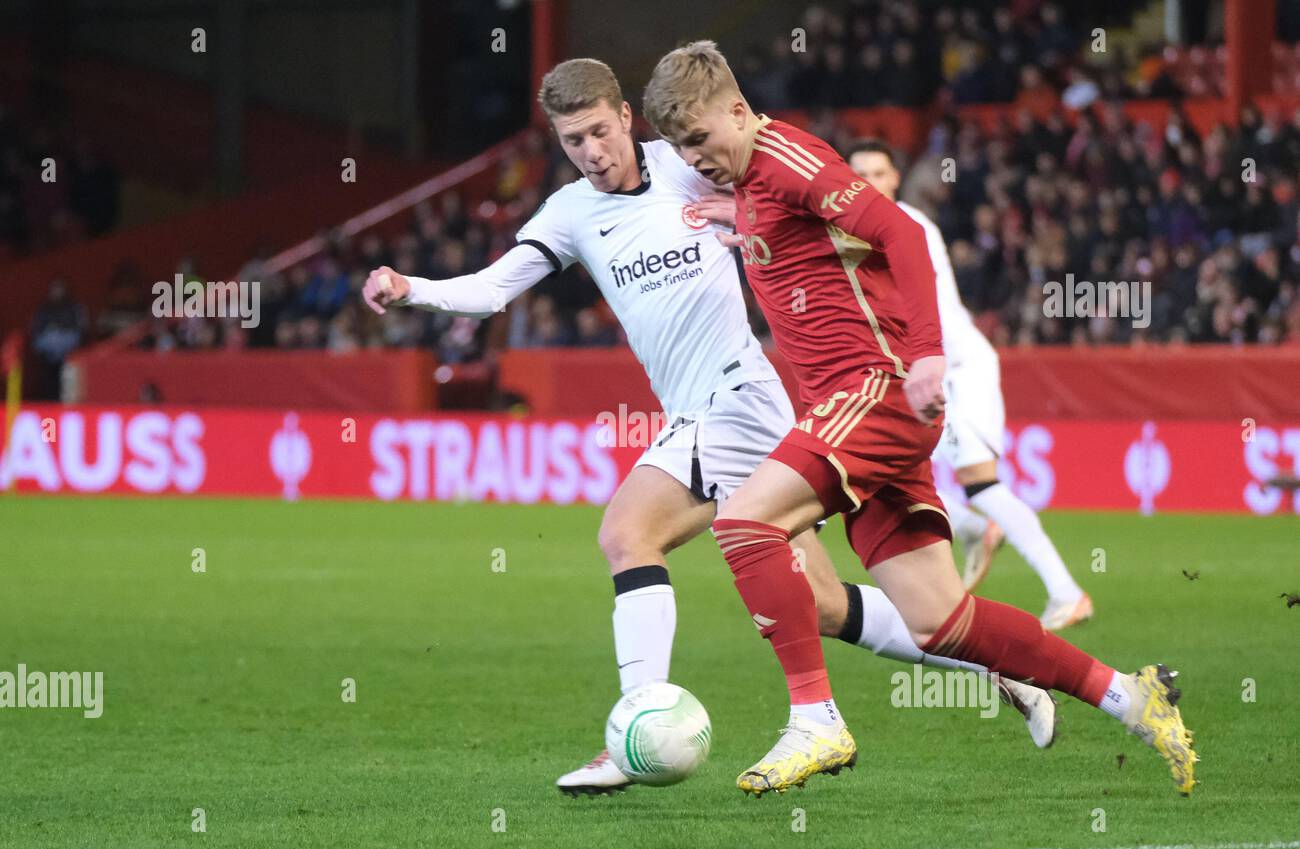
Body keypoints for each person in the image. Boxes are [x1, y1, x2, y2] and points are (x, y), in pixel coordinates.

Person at [362, 58, 1054, 797]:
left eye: (599, 131)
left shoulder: (688, 162)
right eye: (572, 141)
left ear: (627, 117)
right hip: (692, 410)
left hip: (740, 397)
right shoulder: (570, 214)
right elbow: (495, 289)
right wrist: (413, 292)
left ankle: (633, 731)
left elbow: (790, 189)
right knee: (819, 602)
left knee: (627, 533)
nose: (591, 151)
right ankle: (994, 662)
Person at [641, 40, 1196, 797]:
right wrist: (737, 214)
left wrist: (929, 357)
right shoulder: (753, 182)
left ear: (739, 111)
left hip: (873, 391)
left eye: (701, 139)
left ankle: (816, 720)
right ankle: (1131, 697)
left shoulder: (787, 161)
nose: (694, 156)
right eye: (682, 148)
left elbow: (898, 233)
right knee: (941, 622)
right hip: (858, 411)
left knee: (744, 523)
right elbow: (805, 242)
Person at [844, 140, 1091, 627]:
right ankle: (977, 530)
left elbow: (916, 306)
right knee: (886, 477)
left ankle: (1066, 591)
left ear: (896, 179)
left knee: (981, 484)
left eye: (879, 172)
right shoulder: (860, 233)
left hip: (956, 370)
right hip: (923, 372)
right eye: (860, 174)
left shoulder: (907, 225)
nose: (870, 181)